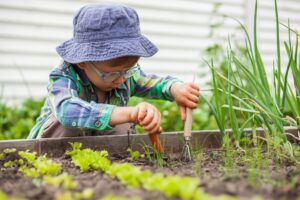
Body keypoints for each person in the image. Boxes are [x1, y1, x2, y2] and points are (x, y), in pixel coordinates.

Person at [27, 4, 200, 139]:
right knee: (66, 124)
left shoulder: (125, 75)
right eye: (113, 73)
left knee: (122, 126)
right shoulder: (64, 76)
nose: (121, 79)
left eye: (128, 70)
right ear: (82, 61)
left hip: (100, 152)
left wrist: (174, 88)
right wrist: (129, 113)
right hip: (51, 149)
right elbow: (66, 110)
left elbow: (152, 83)